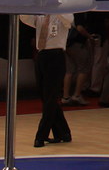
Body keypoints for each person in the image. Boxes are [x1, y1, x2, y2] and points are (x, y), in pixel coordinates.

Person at [20, 13, 73, 147]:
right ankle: (64, 132)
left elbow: (69, 21)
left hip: (56, 55)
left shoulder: (65, 12)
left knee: (50, 97)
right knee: (45, 96)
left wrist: (55, 9)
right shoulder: (41, 13)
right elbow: (25, 18)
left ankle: (41, 136)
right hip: (41, 55)